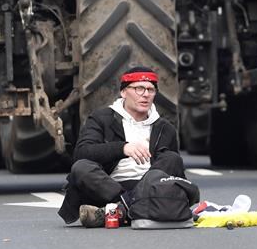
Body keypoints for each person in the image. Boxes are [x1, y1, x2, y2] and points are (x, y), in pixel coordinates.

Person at [57, 66, 185, 227]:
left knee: (172, 159)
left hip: (149, 188)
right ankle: (132, 207)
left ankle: (118, 211)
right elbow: (82, 153)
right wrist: (122, 148)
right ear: (124, 92)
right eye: (139, 88)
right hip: (108, 189)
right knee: (81, 167)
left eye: (151, 90)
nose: (145, 94)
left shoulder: (165, 128)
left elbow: (172, 172)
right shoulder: (101, 118)